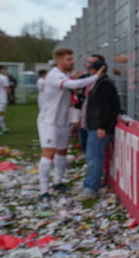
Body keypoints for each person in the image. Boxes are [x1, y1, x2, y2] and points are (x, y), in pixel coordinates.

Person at [36, 48, 101, 201]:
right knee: (48, 153)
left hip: (62, 121)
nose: (72, 62)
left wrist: (73, 120)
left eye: (72, 59)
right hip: (49, 121)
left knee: (62, 152)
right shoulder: (54, 75)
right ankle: (43, 191)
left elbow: (71, 95)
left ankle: (58, 182)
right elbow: (72, 85)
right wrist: (96, 76)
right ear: (59, 61)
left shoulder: (64, 75)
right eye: (68, 60)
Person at [75, 57, 120, 201]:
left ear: (96, 71)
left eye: (90, 70)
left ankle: (91, 189)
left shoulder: (104, 84)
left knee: (95, 158)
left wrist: (102, 126)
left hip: (98, 128)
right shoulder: (97, 83)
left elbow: (107, 108)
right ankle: (88, 184)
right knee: (91, 157)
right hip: (93, 126)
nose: (88, 72)